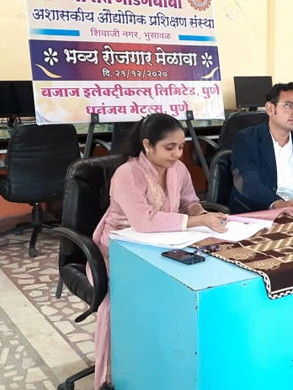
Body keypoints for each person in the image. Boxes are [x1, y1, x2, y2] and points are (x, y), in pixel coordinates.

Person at [91, 113, 228, 389]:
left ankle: (167, 362)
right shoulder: (127, 174)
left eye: (181, 147)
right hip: (119, 250)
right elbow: (144, 221)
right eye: (169, 147)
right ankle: (117, 372)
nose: (177, 154)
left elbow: (189, 202)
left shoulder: (178, 169)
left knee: (188, 284)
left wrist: (202, 214)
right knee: (127, 300)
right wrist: (197, 222)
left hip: (164, 244)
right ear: (147, 145)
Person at [230, 82, 293, 214]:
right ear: (270, 109)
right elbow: (246, 181)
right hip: (257, 212)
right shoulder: (247, 139)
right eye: (289, 106)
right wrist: (277, 204)